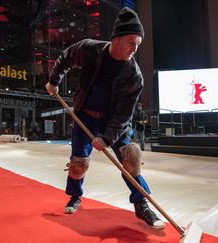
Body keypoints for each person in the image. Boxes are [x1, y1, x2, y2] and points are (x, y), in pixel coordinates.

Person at [45, 7, 164, 229]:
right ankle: (75, 196)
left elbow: (123, 115)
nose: (134, 48)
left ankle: (141, 204)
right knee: (78, 164)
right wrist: (54, 81)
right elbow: (65, 59)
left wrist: (107, 138)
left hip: (113, 123)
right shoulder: (89, 49)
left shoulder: (134, 75)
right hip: (85, 117)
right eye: (131, 41)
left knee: (131, 158)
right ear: (115, 39)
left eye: (138, 44)